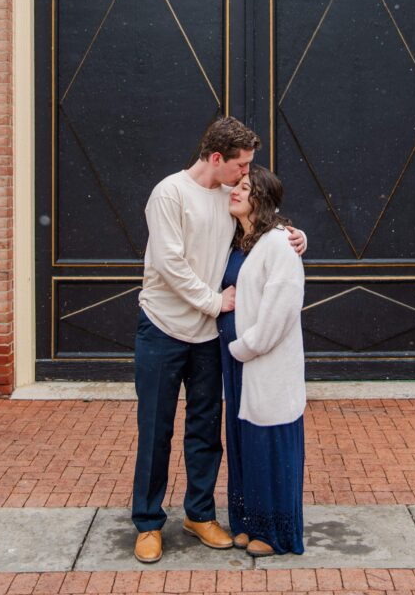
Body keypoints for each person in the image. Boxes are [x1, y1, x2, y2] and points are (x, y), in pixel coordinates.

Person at [131, 116, 306, 564]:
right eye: (242, 165)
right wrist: (214, 302)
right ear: (216, 158)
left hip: (207, 338)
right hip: (163, 329)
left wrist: (296, 235)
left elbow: (260, 228)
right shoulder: (169, 194)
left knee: (206, 432)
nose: (246, 174)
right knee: (155, 430)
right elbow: (169, 264)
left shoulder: (230, 199)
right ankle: (149, 523)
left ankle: (199, 514)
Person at [218, 164, 306, 558]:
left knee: (269, 445)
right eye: (235, 185)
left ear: (262, 199)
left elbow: (280, 313)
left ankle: (275, 533)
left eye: (244, 187)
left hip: (262, 361)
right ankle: (246, 523)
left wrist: (244, 346)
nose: (234, 191)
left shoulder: (278, 244)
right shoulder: (239, 241)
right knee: (243, 444)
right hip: (237, 364)